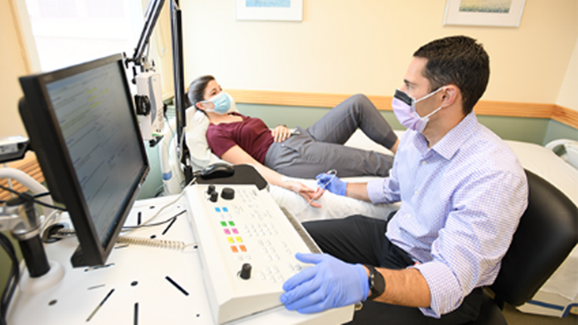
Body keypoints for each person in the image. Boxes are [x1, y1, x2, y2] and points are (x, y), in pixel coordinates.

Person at [280, 36, 529, 324]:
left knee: (330, 319)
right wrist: (341, 187)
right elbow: (393, 187)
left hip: (435, 283)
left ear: (445, 96)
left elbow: (447, 280)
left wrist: (367, 280)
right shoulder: (417, 134)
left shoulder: (493, 174)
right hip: (394, 240)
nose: (400, 93)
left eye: (410, 86)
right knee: (293, 239)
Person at [186, 75, 399, 207]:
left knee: (357, 103)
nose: (222, 94)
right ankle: (415, 166)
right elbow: (251, 166)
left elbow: (259, 134)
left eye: (220, 89)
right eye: (214, 93)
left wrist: (279, 128)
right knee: (368, 160)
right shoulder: (215, 134)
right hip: (286, 156)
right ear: (202, 105)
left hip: (297, 137)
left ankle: (402, 150)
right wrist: (288, 183)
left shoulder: (234, 115)